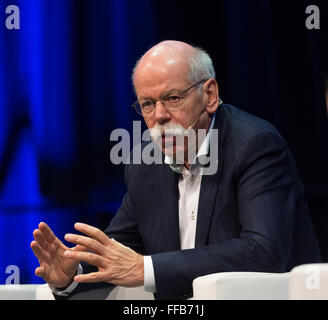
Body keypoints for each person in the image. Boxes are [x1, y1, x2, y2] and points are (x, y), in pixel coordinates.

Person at [31, 40, 321, 300]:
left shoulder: (255, 145)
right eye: (147, 104)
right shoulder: (144, 162)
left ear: (209, 95)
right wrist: (70, 273)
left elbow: (264, 252)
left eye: (172, 98)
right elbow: (117, 250)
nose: (159, 115)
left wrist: (146, 269)